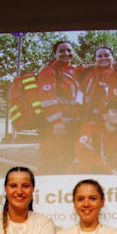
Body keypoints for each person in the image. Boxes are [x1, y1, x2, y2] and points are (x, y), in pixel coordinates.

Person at [37, 41, 81, 175]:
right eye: (61, 51)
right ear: (54, 54)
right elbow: (47, 98)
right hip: (55, 125)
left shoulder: (73, 71)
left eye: (69, 50)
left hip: (71, 124)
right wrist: (57, 121)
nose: (66, 54)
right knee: (51, 158)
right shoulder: (49, 71)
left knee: (68, 158)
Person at [69, 100, 117, 175]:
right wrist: (108, 169)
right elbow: (83, 152)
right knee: (84, 166)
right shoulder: (90, 127)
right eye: (114, 111)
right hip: (88, 174)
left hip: (112, 175)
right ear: (105, 116)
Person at [78, 47, 117, 124]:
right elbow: (79, 99)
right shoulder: (87, 74)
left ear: (113, 57)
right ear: (95, 58)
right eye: (99, 56)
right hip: (88, 120)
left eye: (106, 55)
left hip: (111, 124)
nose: (103, 58)